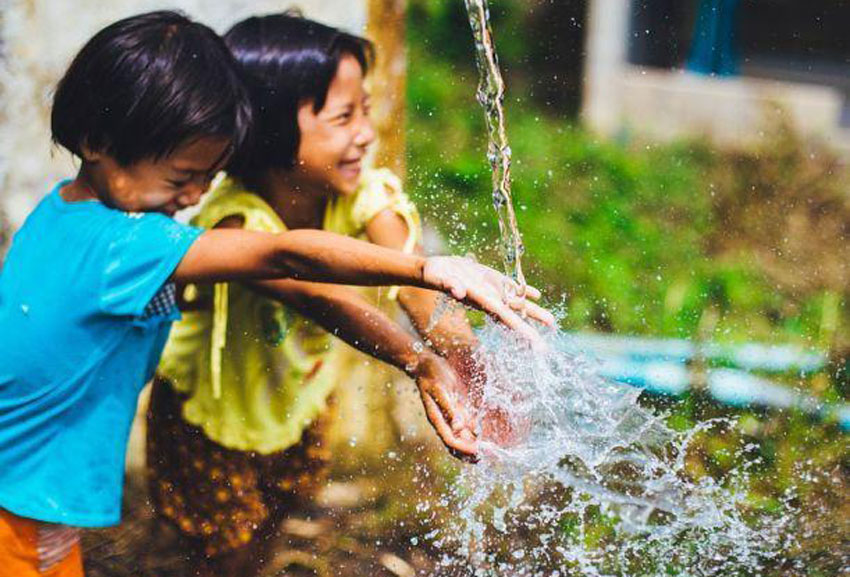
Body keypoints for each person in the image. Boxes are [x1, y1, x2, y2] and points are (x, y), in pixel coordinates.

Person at [0, 11, 548, 577]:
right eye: (179, 177)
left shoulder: (66, 212)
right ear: (97, 141)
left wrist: (442, 351)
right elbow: (287, 256)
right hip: (25, 488)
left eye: (205, 176)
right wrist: (429, 269)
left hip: (30, 485)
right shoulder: (126, 243)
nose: (191, 197)